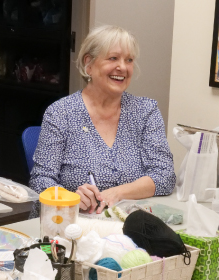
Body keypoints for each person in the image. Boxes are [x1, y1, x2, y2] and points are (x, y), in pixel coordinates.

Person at [28, 25, 175, 218]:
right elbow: (40, 181)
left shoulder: (145, 112)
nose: (122, 67)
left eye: (129, 60)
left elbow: (164, 175)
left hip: (127, 224)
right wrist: (71, 198)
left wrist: (117, 192)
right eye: (113, 58)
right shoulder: (61, 113)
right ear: (89, 64)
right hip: (69, 225)